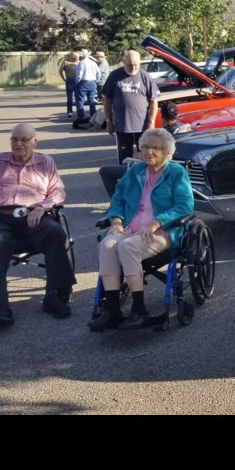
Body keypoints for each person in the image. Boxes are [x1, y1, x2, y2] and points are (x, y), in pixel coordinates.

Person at [0, 123, 76, 326]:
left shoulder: (46, 162)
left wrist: (43, 207)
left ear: (35, 142)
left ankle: (53, 295)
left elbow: (58, 192)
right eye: (15, 139)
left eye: (24, 139)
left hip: (34, 215)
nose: (19, 143)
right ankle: (0, 305)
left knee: (55, 232)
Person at [88, 128, 194, 332]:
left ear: (168, 152)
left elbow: (185, 206)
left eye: (156, 148)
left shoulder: (176, 172)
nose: (149, 152)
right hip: (129, 227)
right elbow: (117, 199)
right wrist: (116, 221)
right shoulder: (135, 171)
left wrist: (157, 222)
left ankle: (139, 309)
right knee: (107, 245)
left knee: (128, 247)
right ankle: (112, 310)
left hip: (161, 232)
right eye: (145, 147)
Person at [102, 49, 161, 165]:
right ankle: (126, 179)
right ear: (123, 62)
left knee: (146, 156)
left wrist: (151, 122)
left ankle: (145, 179)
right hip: (123, 126)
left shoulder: (146, 77)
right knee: (125, 159)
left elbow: (154, 101)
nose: (133, 67)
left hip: (143, 126)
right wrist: (109, 121)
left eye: (136, 64)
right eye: (130, 65)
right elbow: (107, 100)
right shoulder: (115, 76)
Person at [75, 48, 100, 125]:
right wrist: (96, 81)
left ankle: (81, 116)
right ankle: (93, 116)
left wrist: (77, 82)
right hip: (92, 82)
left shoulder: (81, 63)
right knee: (91, 100)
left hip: (83, 82)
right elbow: (98, 73)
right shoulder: (93, 63)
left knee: (80, 100)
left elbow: (79, 74)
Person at [59, 52, 79, 117]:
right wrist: (64, 79)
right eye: (75, 56)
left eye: (77, 56)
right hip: (69, 81)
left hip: (77, 81)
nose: (76, 58)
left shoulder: (79, 62)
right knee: (70, 97)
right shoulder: (66, 62)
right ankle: (69, 111)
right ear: (71, 56)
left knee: (78, 97)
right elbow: (60, 70)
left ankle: (79, 111)